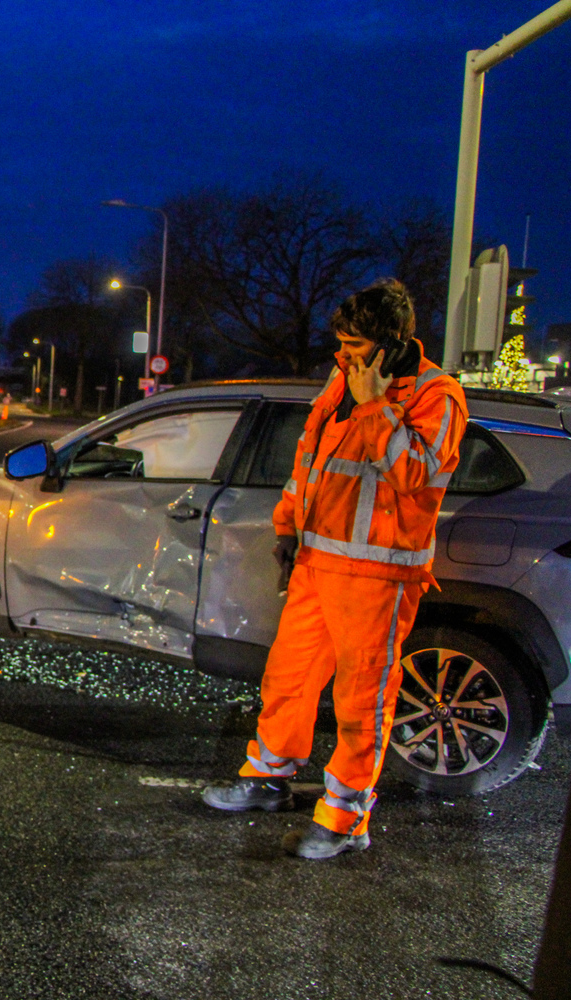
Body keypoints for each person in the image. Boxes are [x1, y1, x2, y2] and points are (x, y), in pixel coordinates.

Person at [202, 279, 467, 860]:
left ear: (393, 344)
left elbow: (413, 474)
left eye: (355, 348)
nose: (343, 358)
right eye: (341, 346)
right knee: (288, 679)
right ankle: (268, 779)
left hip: (377, 578)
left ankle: (346, 820)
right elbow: (312, 459)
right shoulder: (341, 383)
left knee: (362, 700)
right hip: (319, 565)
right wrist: (286, 526)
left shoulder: (437, 396)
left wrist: (373, 403)